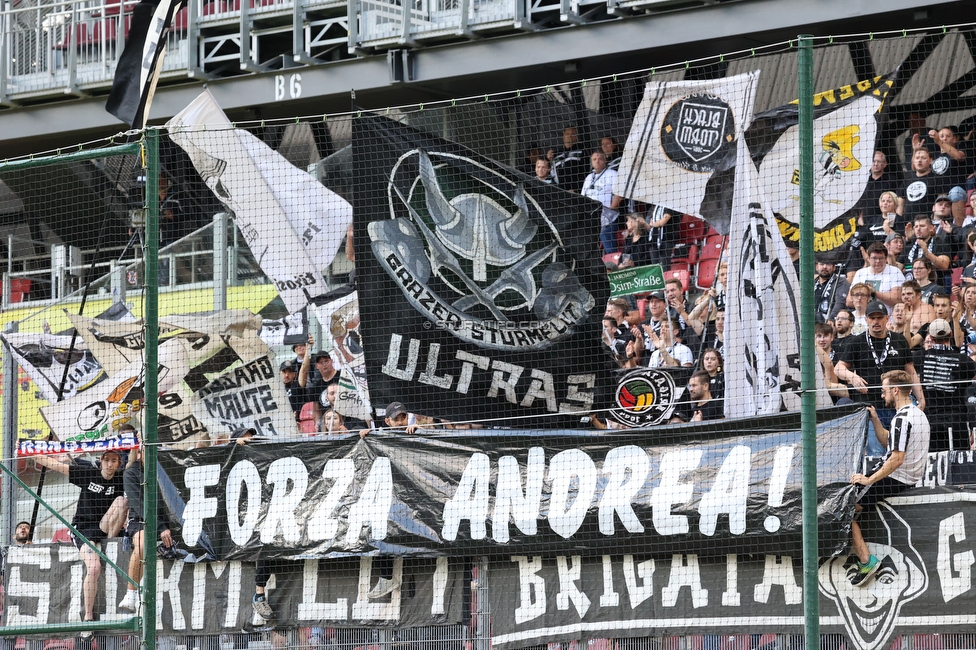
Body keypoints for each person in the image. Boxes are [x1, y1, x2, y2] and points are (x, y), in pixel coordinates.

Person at [849, 370, 930, 587]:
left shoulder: (902, 419)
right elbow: (889, 443)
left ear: (895, 390)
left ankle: (867, 561)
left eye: (884, 391)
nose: (883, 396)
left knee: (844, 509)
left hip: (894, 477)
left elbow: (895, 459)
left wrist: (869, 480)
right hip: (906, 478)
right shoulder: (917, 414)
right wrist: (875, 420)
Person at [33, 449, 128, 633]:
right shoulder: (87, 473)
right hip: (83, 530)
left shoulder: (121, 478)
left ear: (119, 463)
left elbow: (134, 463)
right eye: (106, 459)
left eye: (114, 460)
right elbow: (56, 465)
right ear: (100, 461)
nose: (110, 464)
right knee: (94, 568)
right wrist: (32, 453)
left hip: (105, 527)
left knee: (122, 502)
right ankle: (88, 617)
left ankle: (110, 544)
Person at [834, 300, 925, 457]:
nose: (876, 321)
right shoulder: (856, 342)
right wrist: (852, 377)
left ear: (886, 318)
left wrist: (921, 399)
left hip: (898, 407)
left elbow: (911, 372)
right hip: (870, 407)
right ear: (867, 320)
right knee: (876, 453)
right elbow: (838, 368)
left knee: (903, 451)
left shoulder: (900, 340)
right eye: (872, 318)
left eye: (879, 317)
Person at [118, 442, 174, 614]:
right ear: (140, 453)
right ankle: (131, 593)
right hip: (141, 521)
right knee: (143, 543)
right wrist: (160, 527)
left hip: (169, 523)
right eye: (146, 451)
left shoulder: (167, 468)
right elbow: (140, 505)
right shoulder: (131, 473)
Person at [913, 318, 976, 451]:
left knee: (934, 466)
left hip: (931, 422)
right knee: (960, 466)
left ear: (931, 337)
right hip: (956, 422)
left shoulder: (919, 357)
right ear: (951, 334)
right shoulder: (964, 360)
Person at [582, 151, 623, 253]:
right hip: (590, 216)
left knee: (604, 233)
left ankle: (612, 260)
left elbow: (619, 195)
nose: (597, 161)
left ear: (605, 161)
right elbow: (582, 197)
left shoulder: (612, 174)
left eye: (600, 159)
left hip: (608, 216)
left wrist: (610, 212)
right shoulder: (588, 178)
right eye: (594, 159)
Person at [857, 153, 904, 241]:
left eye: (879, 161)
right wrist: (861, 221)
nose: (875, 164)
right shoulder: (863, 182)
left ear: (885, 164)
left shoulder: (892, 180)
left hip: (888, 223)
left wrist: (896, 219)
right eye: (873, 161)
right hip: (867, 224)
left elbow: (899, 200)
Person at [901, 215, 952, 288]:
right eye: (916, 227)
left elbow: (944, 265)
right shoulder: (910, 245)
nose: (918, 229)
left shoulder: (939, 243)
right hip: (911, 288)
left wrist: (926, 252)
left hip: (934, 287)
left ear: (931, 228)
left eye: (922, 226)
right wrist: (890, 256)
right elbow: (897, 266)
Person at [849, 243, 904, 310]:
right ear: (868, 258)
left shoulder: (895, 272)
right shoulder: (860, 273)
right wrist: (865, 294)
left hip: (888, 317)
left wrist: (874, 293)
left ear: (886, 258)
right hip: (864, 317)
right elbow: (849, 301)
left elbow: (897, 299)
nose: (878, 261)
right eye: (874, 258)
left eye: (881, 258)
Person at [548, 126, 587, 191]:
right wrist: (548, 159)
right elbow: (551, 172)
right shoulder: (556, 153)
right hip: (558, 191)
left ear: (577, 136)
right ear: (563, 136)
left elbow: (585, 172)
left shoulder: (582, 151)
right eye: (567, 134)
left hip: (574, 192)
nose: (570, 136)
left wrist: (576, 189)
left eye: (573, 134)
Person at [900, 280, 936, 346]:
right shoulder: (901, 310)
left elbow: (928, 333)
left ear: (918, 295)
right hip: (904, 347)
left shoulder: (926, 309)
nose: (905, 297)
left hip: (920, 349)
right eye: (903, 294)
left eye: (909, 294)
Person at [815, 259, 850, 324]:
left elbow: (840, 303)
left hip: (829, 323)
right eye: (822, 264)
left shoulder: (840, 281)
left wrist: (831, 319)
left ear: (834, 267)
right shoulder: (812, 283)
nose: (825, 266)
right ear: (816, 267)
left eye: (828, 264)